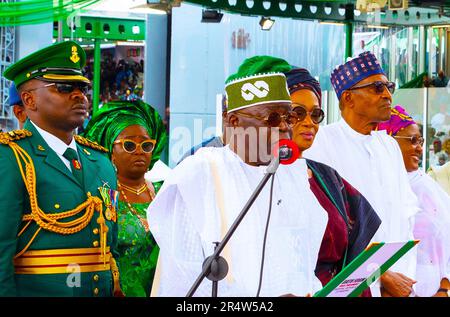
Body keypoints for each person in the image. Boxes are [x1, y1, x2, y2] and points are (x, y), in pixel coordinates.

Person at [148, 56, 329, 297]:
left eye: (288, 117)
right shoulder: (200, 174)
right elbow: (183, 281)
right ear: (234, 121)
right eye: (273, 119)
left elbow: (304, 264)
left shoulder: (294, 176)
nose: (285, 128)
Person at [0, 41, 120, 297]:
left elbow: (111, 250)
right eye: (64, 87)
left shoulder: (100, 161)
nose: (79, 95)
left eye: (83, 88)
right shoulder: (12, 158)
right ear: (29, 100)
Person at [303, 52, 420, 297]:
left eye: (389, 87)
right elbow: (331, 230)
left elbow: (405, 218)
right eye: (377, 87)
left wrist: (402, 278)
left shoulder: (387, 145)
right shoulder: (323, 143)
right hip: (354, 284)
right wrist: (382, 276)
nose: (388, 95)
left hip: (400, 285)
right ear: (349, 97)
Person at [284, 66, 381, 294]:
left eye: (315, 114)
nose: (309, 122)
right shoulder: (263, 178)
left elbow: (356, 239)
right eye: (298, 113)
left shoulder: (326, 176)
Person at [83, 100, 167, 297]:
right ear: (111, 151)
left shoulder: (164, 191)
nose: (139, 151)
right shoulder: (104, 195)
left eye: (146, 145)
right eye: (129, 145)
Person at [378, 105, 450, 297]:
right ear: (387, 142)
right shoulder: (375, 185)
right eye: (412, 141)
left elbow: (447, 235)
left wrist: (444, 289)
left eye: (420, 140)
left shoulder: (426, 185)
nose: (419, 147)